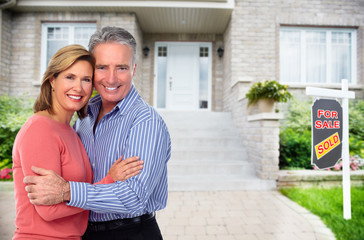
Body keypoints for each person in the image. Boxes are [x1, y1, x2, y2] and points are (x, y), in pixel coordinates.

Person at [23, 27, 171, 240]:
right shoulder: (84, 115)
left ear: (134, 69)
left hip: (130, 233)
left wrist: (67, 191)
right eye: (102, 67)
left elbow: (134, 197)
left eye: (121, 68)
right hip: (85, 232)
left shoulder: (145, 122)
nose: (111, 79)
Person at [13, 44, 143, 240]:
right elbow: (49, 210)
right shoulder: (40, 129)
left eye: (86, 80)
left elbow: (70, 192)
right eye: (70, 77)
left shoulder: (72, 129)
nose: (78, 87)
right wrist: (109, 181)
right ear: (52, 80)